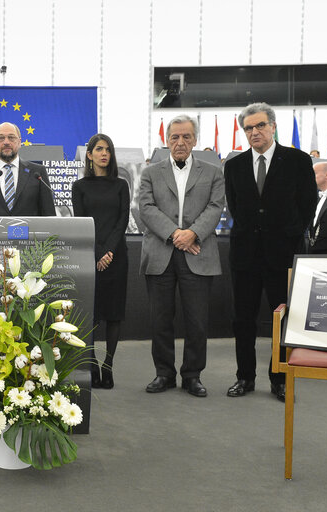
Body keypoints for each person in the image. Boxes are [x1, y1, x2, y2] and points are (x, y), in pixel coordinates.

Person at [224, 102, 318, 402]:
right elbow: (236, 207)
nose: (255, 132)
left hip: (282, 253)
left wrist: (288, 233)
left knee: (282, 319)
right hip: (245, 255)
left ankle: (279, 379)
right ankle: (244, 377)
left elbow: (307, 205)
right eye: (249, 128)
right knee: (243, 320)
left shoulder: (298, 160)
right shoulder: (234, 165)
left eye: (260, 125)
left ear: (273, 126)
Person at [138, 115, 225, 397]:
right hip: (160, 253)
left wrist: (192, 234)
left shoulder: (213, 172)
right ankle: (163, 373)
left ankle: (192, 375)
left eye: (186, 137)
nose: (180, 142)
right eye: (175, 137)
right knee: (160, 320)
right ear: (167, 140)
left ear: (195, 140)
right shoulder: (151, 172)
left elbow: (215, 208)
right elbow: (146, 208)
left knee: (197, 321)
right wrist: (177, 234)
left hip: (198, 253)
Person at [71, 134, 129, 389]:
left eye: (108, 150)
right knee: (91, 314)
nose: (104, 154)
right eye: (99, 149)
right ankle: (92, 363)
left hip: (116, 257)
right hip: (90, 257)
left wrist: (108, 252)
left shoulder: (121, 185)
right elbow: (81, 221)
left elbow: (122, 221)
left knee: (114, 314)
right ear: (89, 154)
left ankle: (108, 365)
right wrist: (97, 252)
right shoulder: (80, 186)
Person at [0, 122, 56, 216]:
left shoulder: (37, 173)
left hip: (30, 230)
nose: (6, 142)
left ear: (19, 142)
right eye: (1, 138)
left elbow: (49, 215)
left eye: (11, 137)